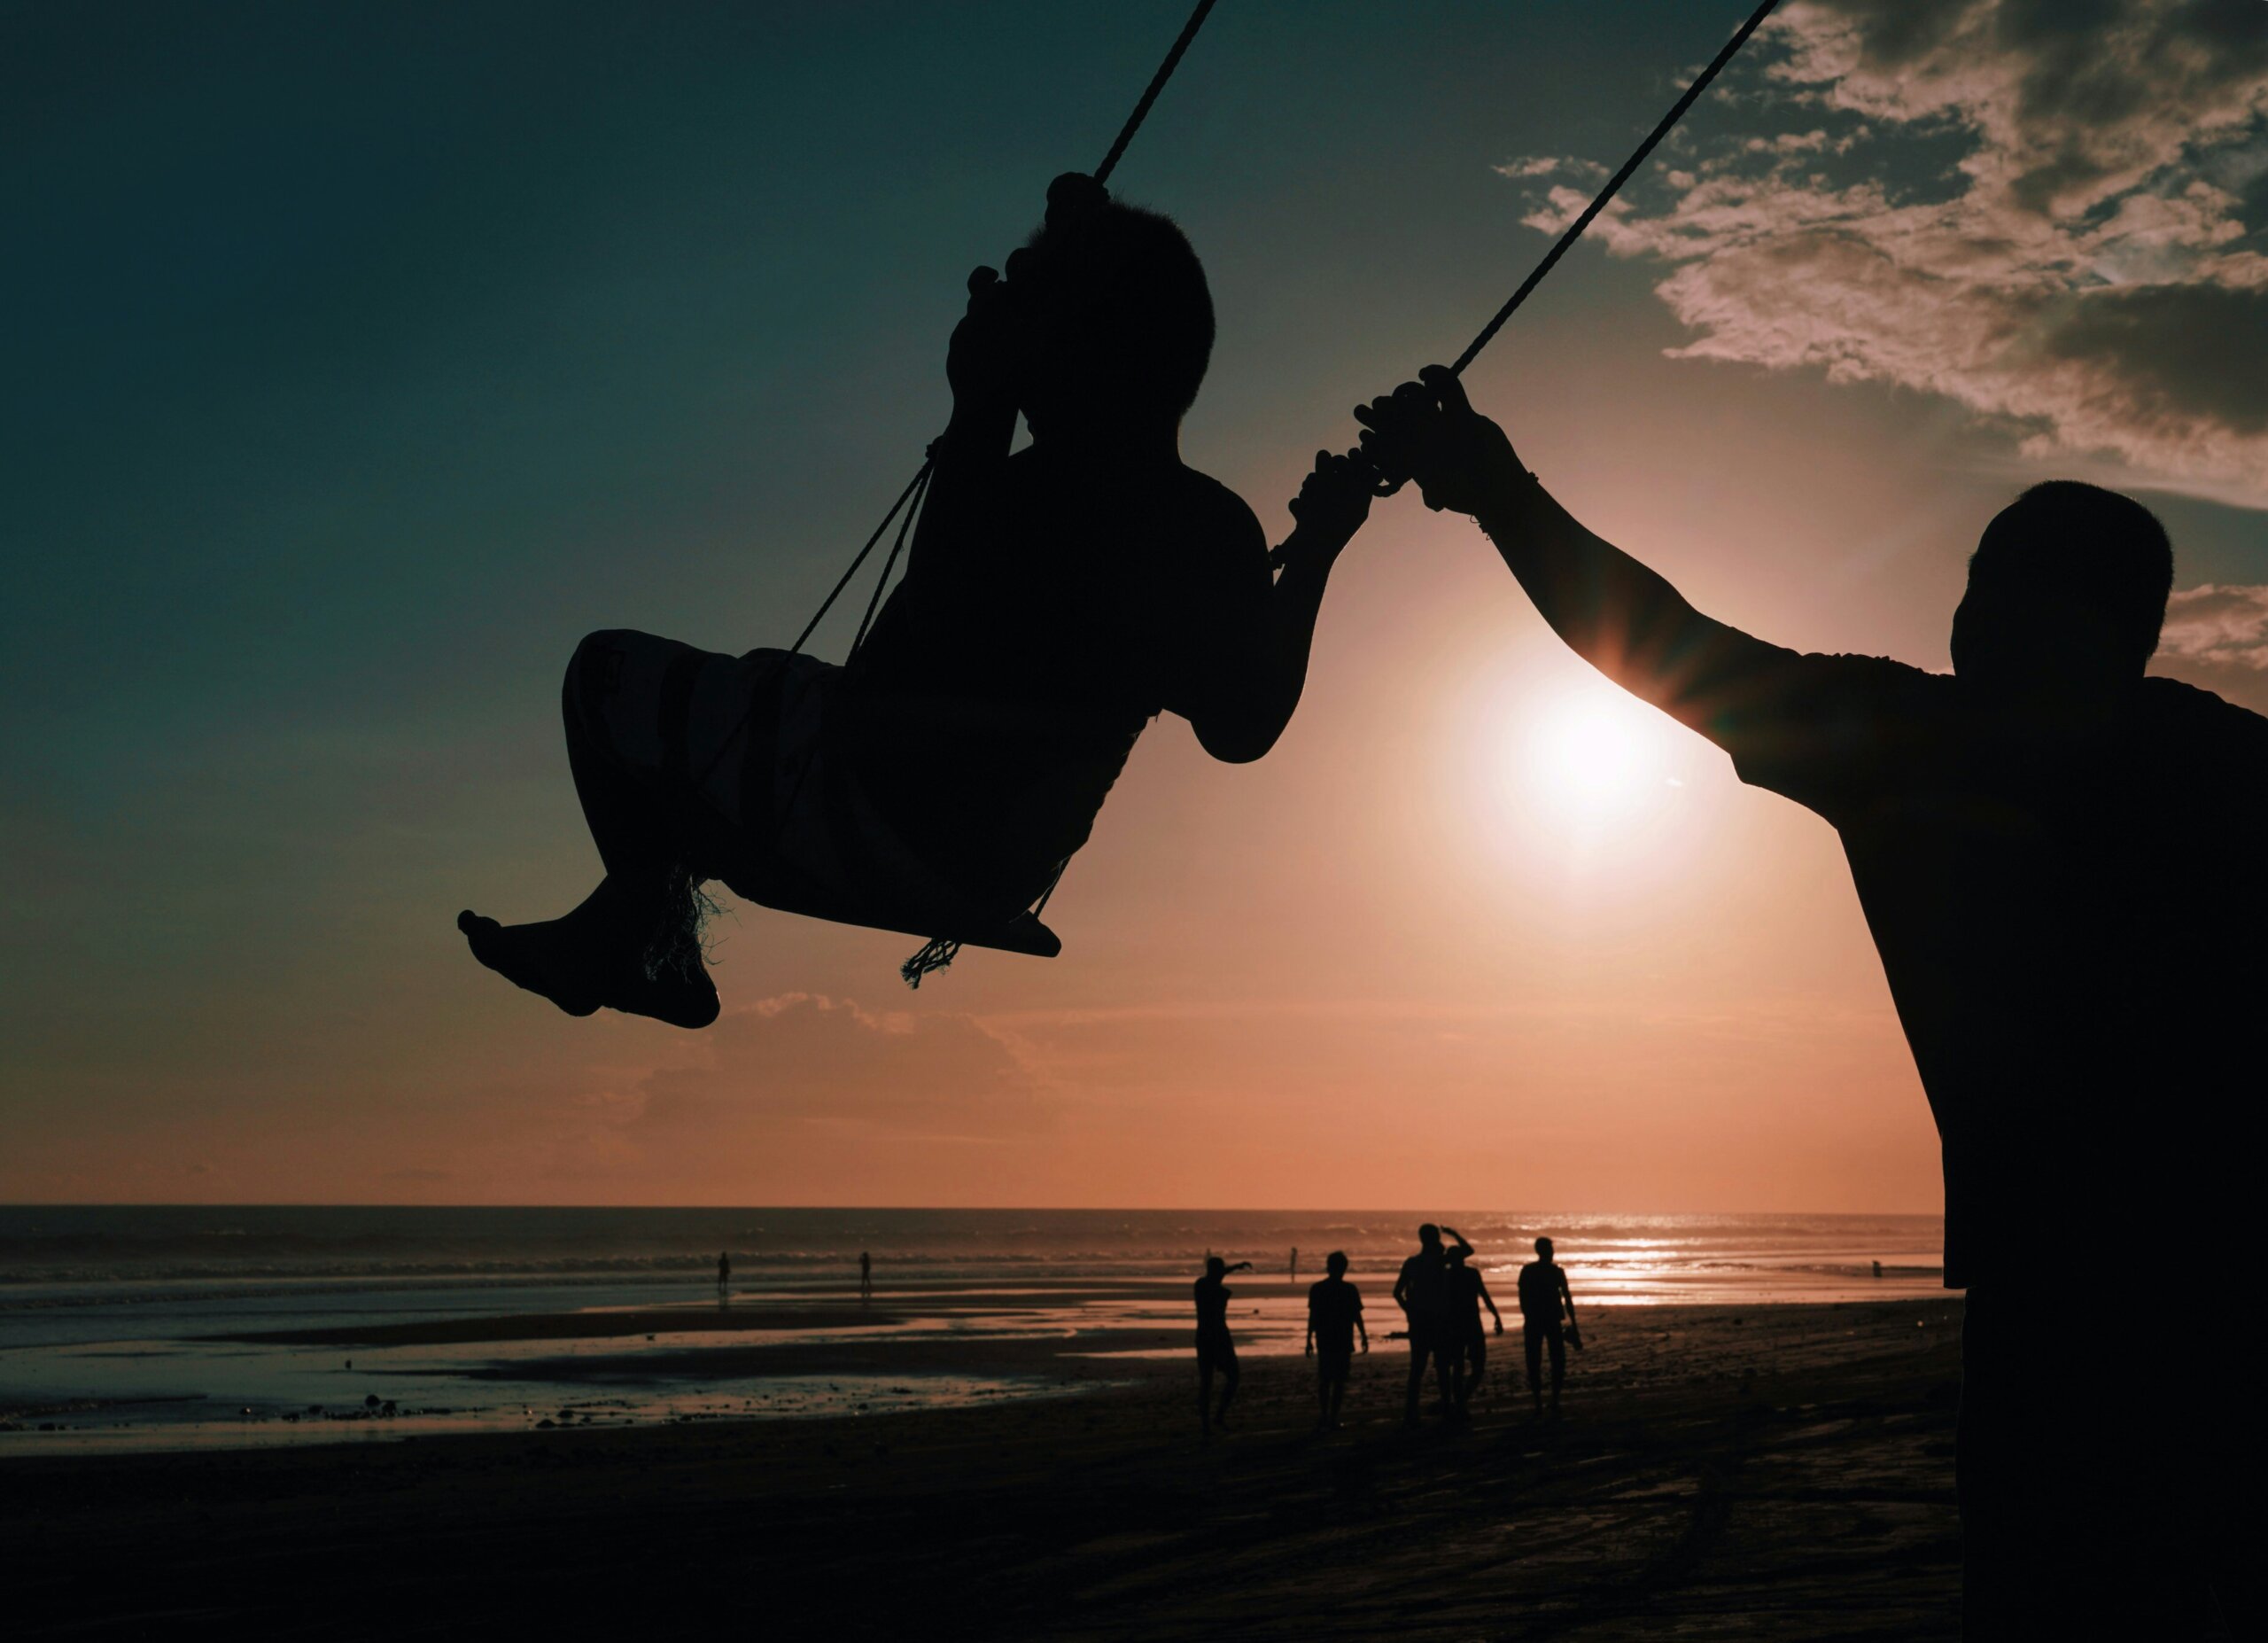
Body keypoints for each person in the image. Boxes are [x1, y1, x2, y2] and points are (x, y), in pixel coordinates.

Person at [1353, 368, 2266, 1637]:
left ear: (2061, 616)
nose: (1970, 609)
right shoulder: (2220, 763)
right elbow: (1668, 643)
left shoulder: (1918, 742)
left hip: (2074, 1303)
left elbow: (1666, 645)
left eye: (1990, 577)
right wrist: (1494, 490)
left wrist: (1498, 490)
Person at [455, 174, 1378, 1028]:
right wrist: (1317, 555)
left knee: (605, 674)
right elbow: (1243, 726)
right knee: (761, 697)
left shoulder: (1037, 495)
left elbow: (944, 612)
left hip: (875, 811)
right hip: (998, 862)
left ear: (1078, 356)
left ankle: (641, 942)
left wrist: (979, 402)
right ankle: (626, 929)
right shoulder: (1211, 528)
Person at [1391, 1223, 1471, 1426]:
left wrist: (1409, 1310)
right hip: (1439, 1319)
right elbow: (1468, 1251)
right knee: (1442, 1367)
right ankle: (1446, 1407)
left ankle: (1411, 1412)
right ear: (1435, 1239)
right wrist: (1454, 1233)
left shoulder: (1412, 1263)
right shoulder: (1439, 1261)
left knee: (1417, 1367)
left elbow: (1397, 1292)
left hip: (1419, 1320)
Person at [1303, 1250, 1368, 1431]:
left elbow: (1313, 1317)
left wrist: (1308, 1339)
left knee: (1325, 1379)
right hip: (1343, 1338)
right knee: (1339, 1380)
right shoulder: (1349, 1289)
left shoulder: (1317, 1289)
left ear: (1328, 1267)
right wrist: (1363, 1336)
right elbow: (1357, 1316)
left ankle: (1325, 1415)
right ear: (1344, 1268)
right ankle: (1332, 1417)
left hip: (1324, 1338)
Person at [1516, 1237, 1576, 1414]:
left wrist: (1527, 1314)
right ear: (1544, 1251)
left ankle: (1543, 1402)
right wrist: (1574, 1323)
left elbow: (1522, 1296)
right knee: (1551, 1360)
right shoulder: (1555, 1271)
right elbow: (1567, 1298)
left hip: (1538, 1320)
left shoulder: (1529, 1270)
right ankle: (1548, 1401)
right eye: (1550, 1249)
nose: (1552, 1252)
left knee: (1538, 1360)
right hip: (1548, 1319)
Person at [1193, 1256, 1251, 1440]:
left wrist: (1236, 1266)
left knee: (1209, 1381)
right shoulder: (1216, 1291)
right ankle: (1213, 1420)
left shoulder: (1201, 1285)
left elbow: (1218, 1275)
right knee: (1227, 1378)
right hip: (1217, 1337)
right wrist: (1234, 1267)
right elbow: (1218, 1280)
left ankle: (1210, 1422)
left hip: (1206, 1337)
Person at [1447, 1243, 1503, 1412]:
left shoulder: (1448, 1275)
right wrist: (1496, 1316)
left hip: (1456, 1325)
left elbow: (1484, 1295)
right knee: (1474, 1367)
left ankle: (1460, 1402)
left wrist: (1497, 1316)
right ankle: (1461, 1402)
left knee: (1460, 1367)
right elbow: (1484, 1296)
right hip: (1469, 1324)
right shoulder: (1468, 1274)